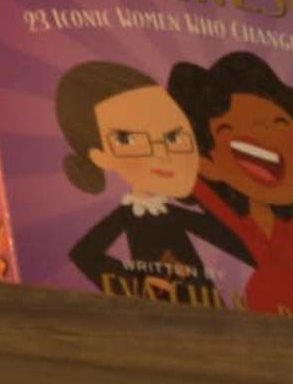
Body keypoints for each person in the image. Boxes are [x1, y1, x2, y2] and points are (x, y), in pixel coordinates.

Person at [51, 61, 239, 307]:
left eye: (173, 136)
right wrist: (133, 284)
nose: (162, 155)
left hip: (209, 305)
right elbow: (85, 254)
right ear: (101, 157)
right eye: (130, 141)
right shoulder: (127, 216)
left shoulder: (173, 213)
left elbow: (229, 239)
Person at [170, 53, 293, 313]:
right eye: (228, 129)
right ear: (208, 164)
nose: (261, 133)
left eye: (279, 121)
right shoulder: (227, 216)